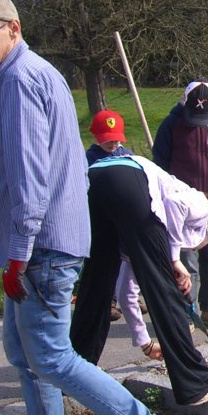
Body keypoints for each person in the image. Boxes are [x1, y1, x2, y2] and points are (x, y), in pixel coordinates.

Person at [0, 0, 184, 415]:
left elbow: (31, 178)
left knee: (53, 357)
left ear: (13, 28)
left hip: (39, 249)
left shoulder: (19, 81)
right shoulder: (41, 74)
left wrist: (18, 254)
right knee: (26, 352)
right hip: (48, 243)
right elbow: (67, 170)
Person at [70, 153, 208, 405]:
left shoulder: (142, 224)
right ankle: (196, 383)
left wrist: (146, 343)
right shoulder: (202, 205)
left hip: (95, 178)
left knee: (96, 285)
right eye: (197, 247)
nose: (192, 250)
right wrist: (173, 260)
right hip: (129, 177)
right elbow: (174, 204)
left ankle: (73, 376)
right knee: (164, 292)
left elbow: (127, 294)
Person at [153, 80, 208, 331]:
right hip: (183, 208)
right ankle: (186, 315)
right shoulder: (171, 125)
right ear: (184, 102)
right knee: (186, 262)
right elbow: (161, 163)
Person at [85, 109, 134, 322]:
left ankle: (130, 297)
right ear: (96, 137)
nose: (113, 144)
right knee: (105, 263)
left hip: (124, 218)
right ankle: (108, 301)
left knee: (128, 260)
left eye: (116, 140)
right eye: (108, 141)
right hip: (101, 219)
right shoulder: (89, 158)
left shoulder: (127, 155)